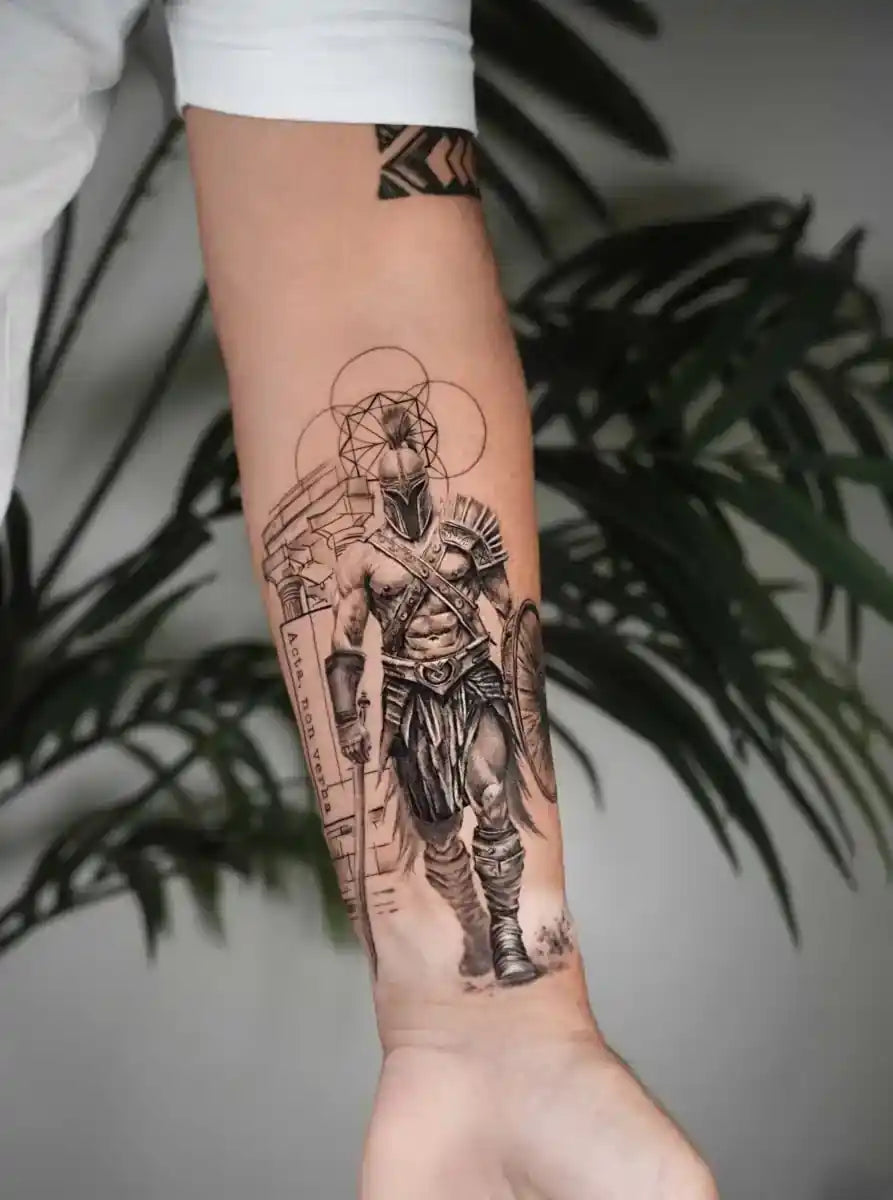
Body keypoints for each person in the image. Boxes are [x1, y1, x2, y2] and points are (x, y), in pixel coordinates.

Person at [0, 2, 718, 1196]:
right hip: (411, 703)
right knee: (440, 832)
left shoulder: (456, 527)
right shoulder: (363, 561)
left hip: (465, 682)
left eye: (406, 452)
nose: (397, 470)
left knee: (488, 817)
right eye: (383, 458)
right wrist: (353, 700)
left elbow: (353, 253)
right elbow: (344, 647)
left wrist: (494, 1033)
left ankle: (495, 960)